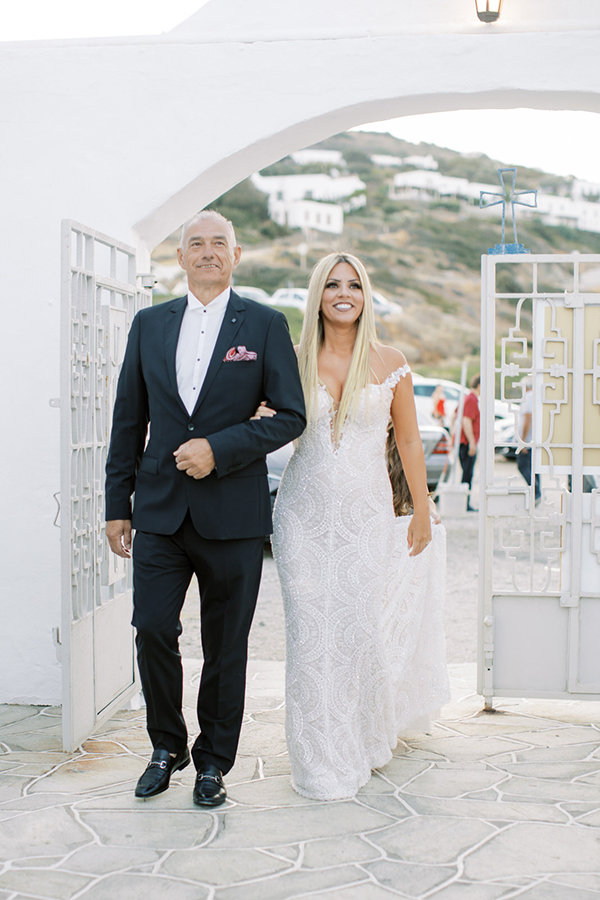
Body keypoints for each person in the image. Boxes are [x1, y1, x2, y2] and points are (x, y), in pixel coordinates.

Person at [104, 210, 306, 808]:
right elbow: (127, 420)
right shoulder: (149, 324)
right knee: (152, 629)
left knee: (226, 645)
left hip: (233, 517)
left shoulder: (266, 325)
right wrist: (119, 505)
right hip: (160, 512)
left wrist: (219, 449)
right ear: (182, 257)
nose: (208, 251)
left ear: (236, 254)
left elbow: (291, 417)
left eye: (219, 243)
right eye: (197, 243)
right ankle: (167, 745)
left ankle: (214, 761)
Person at [257, 252, 449, 800]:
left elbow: (408, 440)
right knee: (311, 637)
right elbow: (266, 426)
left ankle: (359, 739)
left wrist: (418, 507)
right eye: (333, 285)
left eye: (355, 285)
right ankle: (318, 758)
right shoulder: (291, 360)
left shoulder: (390, 361)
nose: (344, 293)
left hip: (365, 516)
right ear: (318, 295)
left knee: (354, 632)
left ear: (365, 296)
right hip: (302, 517)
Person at [516, 376, 541, 504]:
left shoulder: (529, 397)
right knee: (533, 467)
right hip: (533, 439)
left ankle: (536, 492)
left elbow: (527, 418)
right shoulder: (534, 396)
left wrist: (523, 440)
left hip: (529, 439)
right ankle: (537, 493)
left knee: (523, 466)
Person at [459, 374, 481, 511]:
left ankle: (464, 502)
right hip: (467, 443)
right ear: (480, 386)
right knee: (467, 474)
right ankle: (464, 503)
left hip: (465, 442)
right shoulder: (471, 400)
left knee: (467, 473)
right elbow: (466, 420)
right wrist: (472, 442)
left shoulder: (468, 398)